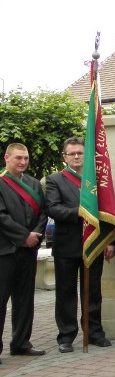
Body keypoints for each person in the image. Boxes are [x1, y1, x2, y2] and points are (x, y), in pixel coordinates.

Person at [46, 137, 113, 352]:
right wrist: (79, 212)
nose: (76, 156)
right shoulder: (55, 179)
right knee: (65, 292)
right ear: (64, 157)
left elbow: (107, 211)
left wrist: (110, 241)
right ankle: (66, 336)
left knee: (93, 291)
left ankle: (94, 332)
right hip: (67, 245)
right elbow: (53, 209)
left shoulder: (95, 180)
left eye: (80, 153)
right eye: (72, 153)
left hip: (93, 243)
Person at [0, 143, 48, 359]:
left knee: (24, 299)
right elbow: (2, 217)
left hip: (28, 251)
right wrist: (23, 236)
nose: (23, 162)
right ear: (7, 158)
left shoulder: (34, 184)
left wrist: (34, 236)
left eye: (26, 158)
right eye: (18, 158)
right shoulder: (1, 183)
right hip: (6, 251)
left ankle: (21, 342)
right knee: (2, 300)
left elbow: (43, 213)